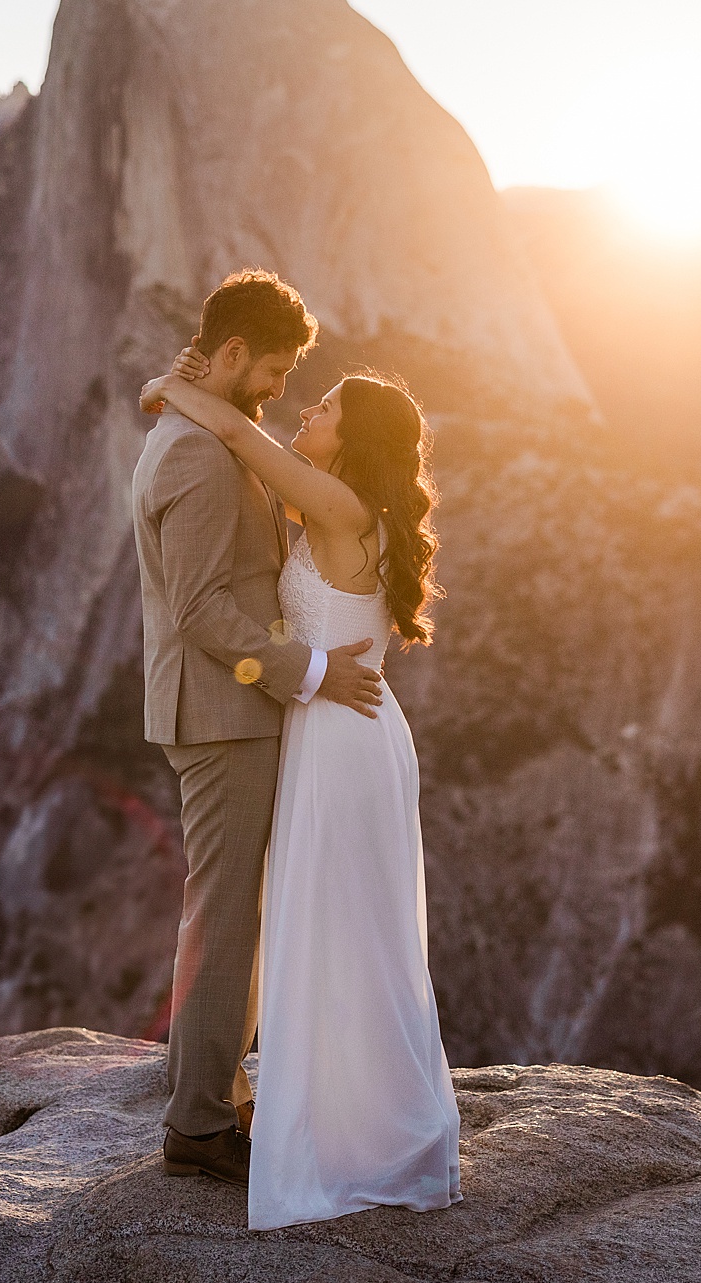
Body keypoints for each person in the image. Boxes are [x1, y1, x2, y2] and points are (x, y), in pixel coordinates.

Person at [142, 326, 462, 1230]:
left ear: (350, 439)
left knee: (339, 924)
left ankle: (355, 1127)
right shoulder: (342, 501)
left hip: (341, 734)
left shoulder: (340, 506)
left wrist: (168, 389)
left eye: (322, 408)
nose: (303, 410)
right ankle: (337, 1105)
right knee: (335, 921)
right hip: (340, 728)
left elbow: (244, 440)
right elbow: (257, 446)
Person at [130, 270, 384, 1189]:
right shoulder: (194, 456)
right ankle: (197, 1121)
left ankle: (208, 1091)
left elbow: (237, 431)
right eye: (274, 371)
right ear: (232, 355)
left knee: (230, 906)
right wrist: (312, 674)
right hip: (224, 712)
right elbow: (201, 610)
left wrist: (179, 383)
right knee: (228, 912)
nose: (280, 392)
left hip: (227, 710)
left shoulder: (194, 426)